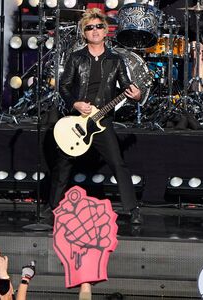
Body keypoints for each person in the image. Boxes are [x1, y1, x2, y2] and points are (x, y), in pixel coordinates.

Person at [50, 8, 144, 224]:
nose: (95, 30)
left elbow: (126, 85)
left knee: (118, 163)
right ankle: (52, 208)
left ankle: (132, 210)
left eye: (99, 26)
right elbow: (64, 86)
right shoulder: (76, 58)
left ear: (106, 31)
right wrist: (75, 103)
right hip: (77, 119)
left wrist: (137, 95)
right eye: (89, 27)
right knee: (62, 165)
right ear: (84, 33)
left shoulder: (115, 59)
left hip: (102, 120)